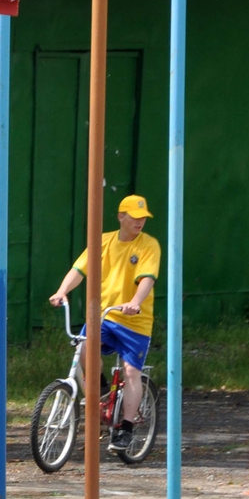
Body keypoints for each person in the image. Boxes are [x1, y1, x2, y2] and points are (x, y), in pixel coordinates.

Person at [48, 194, 160, 452]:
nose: (139, 221)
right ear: (121, 216)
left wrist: (135, 301)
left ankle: (125, 429)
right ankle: (99, 389)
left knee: (132, 372)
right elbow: (79, 269)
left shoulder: (148, 245)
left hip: (135, 320)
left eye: (143, 217)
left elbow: (147, 279)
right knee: (84, 347)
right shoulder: (103, 242)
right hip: (105, 316)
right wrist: (62, 290)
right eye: (134, 216)